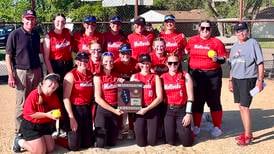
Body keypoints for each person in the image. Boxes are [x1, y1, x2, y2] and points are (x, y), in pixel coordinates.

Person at [185, 20, 226, 137]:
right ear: (199, 29)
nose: (205, 30)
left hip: (213, 75)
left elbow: (224, 58)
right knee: (197, 101)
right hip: (196, 75)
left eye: (207, 28)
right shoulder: (192, 40)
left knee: (214, 101)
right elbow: (185, 52)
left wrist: (217, 59)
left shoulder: (216, 42)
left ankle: (217, 126)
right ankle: (196, 126)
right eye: (202, 28)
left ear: (211, 30)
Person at [5, 9, 43, 139]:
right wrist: (11, 75)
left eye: (32, 19)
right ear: (23, 19)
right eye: (27, 18)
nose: (30, 21)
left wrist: (41, 72)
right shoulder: (15, 34)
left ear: (35, 20)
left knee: (35, 101)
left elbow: (39, 55)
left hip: (36, 70)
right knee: (21, 104)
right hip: (21, 72)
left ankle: (32, 128)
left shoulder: (36, 35)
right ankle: (19, 133)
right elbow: (8, 56)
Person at [228, 22, 264, 146]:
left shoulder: (253, 43)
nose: (241, 33)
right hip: (236, 79)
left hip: (248, 78)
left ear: (247, 31)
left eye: (243, 30)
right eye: (238, 31)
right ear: (235, 33)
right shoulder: (234, 47)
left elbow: (260, 63)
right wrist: (230, 81)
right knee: (240, 106)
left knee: (245, 107)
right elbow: (232, 65)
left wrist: (260, 80)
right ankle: (247, 132)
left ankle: (248, 136)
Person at [12, 73, 61, 153]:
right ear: (43, 83)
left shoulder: (54, 97)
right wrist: (47, 115)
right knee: (40, 152)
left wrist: (56, 118)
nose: (53, 84)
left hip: (45, 125)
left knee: (50, 148)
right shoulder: (34, 94)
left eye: (56, 82)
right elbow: (30, 114)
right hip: (31, 125)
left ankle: (39, 140)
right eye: (51, 81)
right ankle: (19, 141)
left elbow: (57, 111)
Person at [63, 52, 94, 150]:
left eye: (85, 60)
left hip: (86, 109)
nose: (83, 63)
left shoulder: (90, 74)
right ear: (76, 62)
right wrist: (71, 117)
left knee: (87, 144)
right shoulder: (71, 75)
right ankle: (60, 138)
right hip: (75, 109)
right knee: (74, 147)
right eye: (80, 61)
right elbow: (65, 98)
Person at [130, 54, 163, 147]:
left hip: (151, 109)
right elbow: (129, 97)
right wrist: (132, 85)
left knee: (152, 142)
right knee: (141, 144)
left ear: (150, 64)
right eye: (143, 63)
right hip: (139, 110)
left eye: (147, 63)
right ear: (139, 64)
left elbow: (160, 97)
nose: (145, 66)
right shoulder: (134, 77)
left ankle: (154, 129)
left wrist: (147, 109)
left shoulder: (155, 77)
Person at [161, 54, 194, 146]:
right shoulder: (162, 77)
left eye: (175, 63)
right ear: (166, 64)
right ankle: (175, 129)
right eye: (170, 63)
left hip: (181, 109)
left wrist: (188, 114)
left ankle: (186, 128)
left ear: (179, 63)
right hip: (168, 110)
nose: (173, 65)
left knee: (187, 143)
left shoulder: (185, 75)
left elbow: (190, 97)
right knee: (170, 142)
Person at [93, 52, 124, 148]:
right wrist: (114, 110)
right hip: (103, 109)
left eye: (111, 61)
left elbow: (125, 93)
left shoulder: (117, 75)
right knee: (100, 144)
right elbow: (97, 98)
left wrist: (124, 84)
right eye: (106, 61)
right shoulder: (98, 77)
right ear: (102, 62)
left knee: (112, 143)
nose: (109, 63)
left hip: (115, 109)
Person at [114, 43, 139, 139]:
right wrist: (117, 78)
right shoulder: (116, 63)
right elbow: (111, 74)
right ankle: (120, 129)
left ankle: (131, 129)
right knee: (120, 108)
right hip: (120, 88)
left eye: (128, 52)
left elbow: (139, 73)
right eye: (123, 53)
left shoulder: (135, 63)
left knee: (131, 109)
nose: (126, 55)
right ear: (119, 54)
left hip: (132, 87)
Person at [43, 13, 73, 80]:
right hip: (55, 66)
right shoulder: (49, 36)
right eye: (58, 21)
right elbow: (46, 58)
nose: (60, 23)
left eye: (63, 21)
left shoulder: (68, 32)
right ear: (53, 22)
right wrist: (51, 73)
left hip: (68, 65)